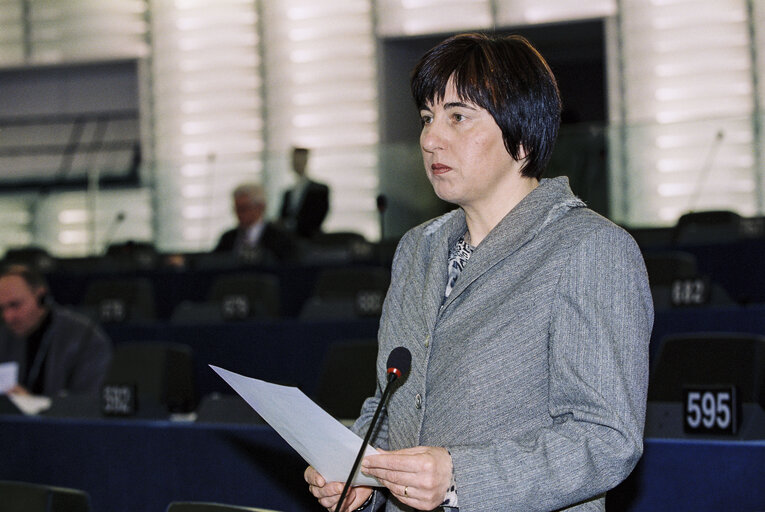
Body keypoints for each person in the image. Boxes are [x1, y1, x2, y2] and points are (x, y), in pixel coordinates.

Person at [305, 33, 653, 512]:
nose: (429, 138)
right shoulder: (416, 250)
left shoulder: (590, 250)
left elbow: (605, 439)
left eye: (458, 117)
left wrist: (458, 480)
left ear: (523, 137)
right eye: (427, 118)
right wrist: (356, 470)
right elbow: (395, 407)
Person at [0, 264, 113, 396]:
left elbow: (87, 403)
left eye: (15, 305)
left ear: (41, 298)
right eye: (1, 308)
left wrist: (29, 404)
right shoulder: (4, 335)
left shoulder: (85, 337)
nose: (8, 317)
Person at [214, 182, 296, 262]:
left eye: (244, 209)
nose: (239, 214)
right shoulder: (228, 238)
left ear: (260, 207)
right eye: (236, 209)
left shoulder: (280, 238)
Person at [279, 146, 330, 238]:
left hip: (311, 238)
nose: (296, 163)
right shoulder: (288, 192)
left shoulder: (320, 190)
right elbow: (283, 217)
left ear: (306, 161)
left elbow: (318, 217)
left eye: (300, 160)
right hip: (291, 239)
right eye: (294, 160)